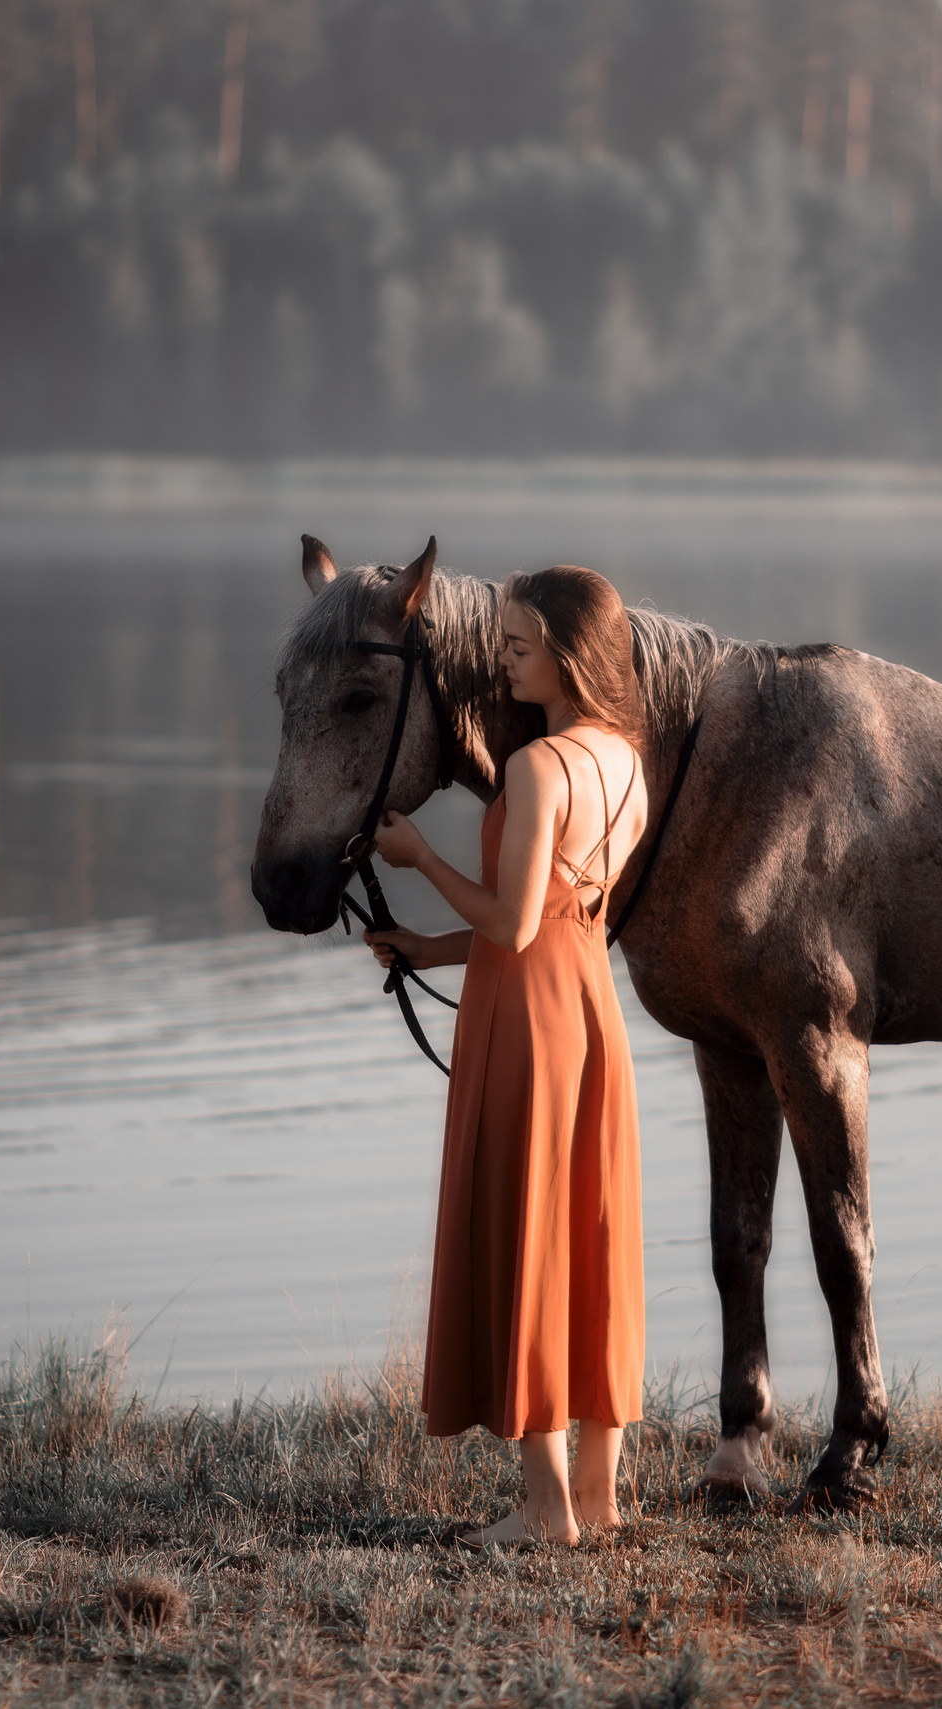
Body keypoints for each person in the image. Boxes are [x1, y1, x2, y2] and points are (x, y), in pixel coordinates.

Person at [365, 565, 650, 1546]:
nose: (504, 660)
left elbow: (515, 920)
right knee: (591, 1244)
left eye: (520, 645)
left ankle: (541, 1509)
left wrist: (420, 860)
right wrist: (424, 947)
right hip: (591, 1019)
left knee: (527, 1240)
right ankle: (601, 1499)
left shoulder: (537, 769)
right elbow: (570, 918)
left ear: (570, 653)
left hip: (524, 1027)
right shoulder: (625, 761)